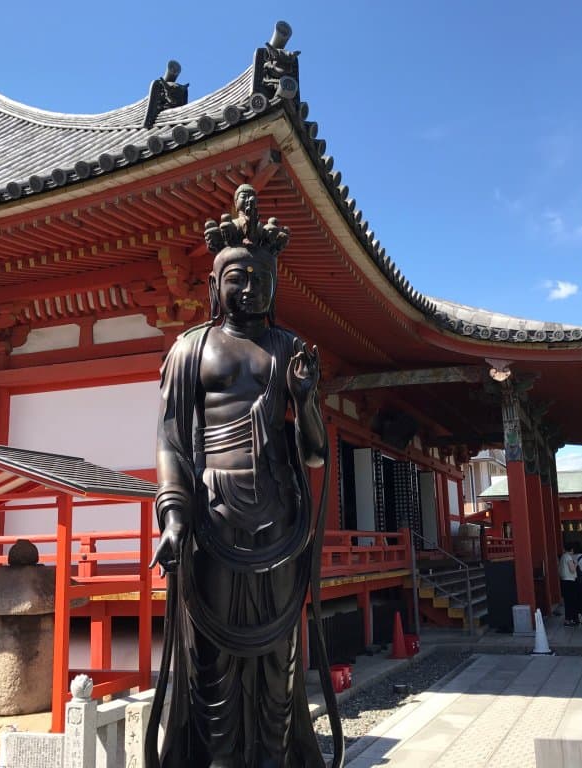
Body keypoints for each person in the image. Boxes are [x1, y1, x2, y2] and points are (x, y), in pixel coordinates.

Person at [148, 186, 342, 768]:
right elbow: (171, 440)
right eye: (237, 275)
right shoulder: (190, 350)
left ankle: (275, 757)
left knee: (279, 664)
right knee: (212, 666)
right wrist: (175, 516)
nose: (249, 285)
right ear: (214, 284)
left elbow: (312, 454)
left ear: (275, 284)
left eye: (260, 275)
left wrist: (305, 401)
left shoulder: (288, 349)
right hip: (212, 521)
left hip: (278, 522)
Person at [559, 542, 579, 627]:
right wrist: (576, 564)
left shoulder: (563, 557)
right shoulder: (568, 557)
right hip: (570, 581)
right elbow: (572, 569)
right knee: (572, 601)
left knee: (567, 601)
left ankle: (568, 619)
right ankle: (570, 619)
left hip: (564, 581)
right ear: (572, 549)